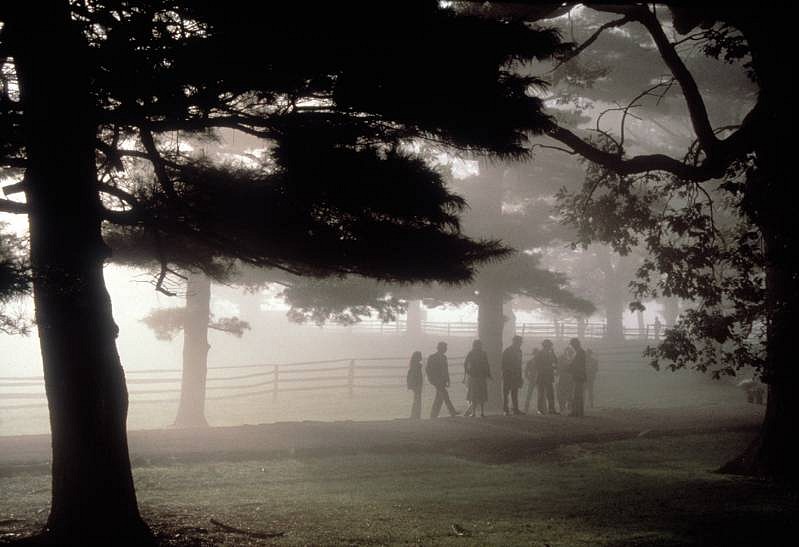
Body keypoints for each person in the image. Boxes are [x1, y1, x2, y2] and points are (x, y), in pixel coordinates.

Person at [426, 341, 458, 418]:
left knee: (440, 397)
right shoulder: (433, 357)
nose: (446, 349)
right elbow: (428, 369)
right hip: (437, 380)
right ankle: (452, 412)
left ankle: (434, 414)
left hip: (441, 380)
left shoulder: (441, 357)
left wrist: (447, 379)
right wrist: (432, 379)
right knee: (445, 395)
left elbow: (445, 369)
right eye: (445, 348)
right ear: (441, 348)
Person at [464, 340, 492, 417]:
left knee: (474, 395)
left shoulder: (471, 353)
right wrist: (488, 374)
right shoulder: (483, 353)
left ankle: (473, 412)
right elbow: (486, 364)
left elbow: (465, 363)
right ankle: (481, 412)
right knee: (481, 394)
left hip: (474, 376)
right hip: (481, 376)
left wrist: (468, 371)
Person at [501, 335, 525, 415]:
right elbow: (504, 364)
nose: (520, 344)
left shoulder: (517, 351)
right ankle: (507, 409)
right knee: (507, 392)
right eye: (519, 342)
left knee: (513, 392)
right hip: (508, 374)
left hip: (514, 374)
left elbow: (519, 364)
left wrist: (519, 375)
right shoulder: (509, 351)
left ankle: (513, 409)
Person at [535, 339, 558, 414]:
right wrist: (549, 368)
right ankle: (540, 409)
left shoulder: (549, 354)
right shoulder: (540, 354)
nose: (550, 347)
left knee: (549, 394)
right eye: (549, 345)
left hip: (546, 376)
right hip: (542, 376)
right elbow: (538, 365)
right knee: (542, 394)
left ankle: (550, 409)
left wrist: (553, 353)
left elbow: (555, 361)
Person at [568, 338, 587, 417]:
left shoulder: (580, 353)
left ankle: (576, 412)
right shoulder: (579, 352)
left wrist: (570, 367)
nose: (572, 346)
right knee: (578, 394)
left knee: (577, 394)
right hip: (579, 375)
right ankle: (579, 411)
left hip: (578, 375)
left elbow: (578, 365)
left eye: (573, 345)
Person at [556, 345, 575, 414]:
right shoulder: (561, 358)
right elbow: (558, 367)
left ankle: (568, 406)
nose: (570, 353)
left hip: (569, 378)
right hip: (563, 377)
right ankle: (562, 407)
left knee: (569, 392)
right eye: (569, 352)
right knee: (562, 392)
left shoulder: (572, 359)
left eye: (571, 352)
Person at [406, 351, 424, 419]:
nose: (421, 357)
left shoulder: (413, 364)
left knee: (416, 400)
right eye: (420, 356)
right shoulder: (417, 365)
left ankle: (415, 415)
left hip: (415, 385)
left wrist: (410, 385)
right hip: (417, 385)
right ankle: (416, 415)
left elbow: (411, 375)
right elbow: (417, 376)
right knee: (417, 400)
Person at [523, 348, 539, 413]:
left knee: (530, 394)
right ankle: (541, 408)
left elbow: (526, 372)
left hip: (535, 379)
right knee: (538, 394)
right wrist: (529, 378)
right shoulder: (532, 362)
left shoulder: (530, 362)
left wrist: (528, 377)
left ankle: (526, 407)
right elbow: (526, 372)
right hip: (535, 379)